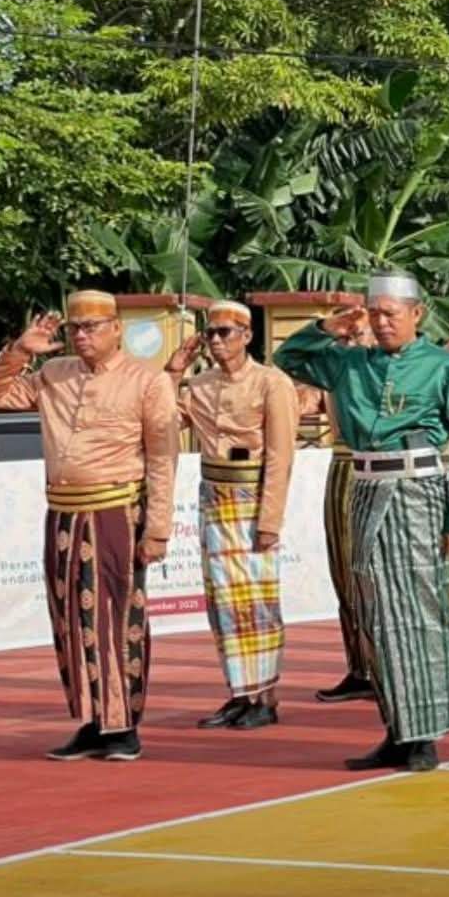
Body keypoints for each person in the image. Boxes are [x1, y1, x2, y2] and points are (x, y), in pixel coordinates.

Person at [274, 272, 449, 773]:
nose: (383, 322)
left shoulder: (443, 366)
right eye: (375, 313)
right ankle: (396, 727)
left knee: (419, 607)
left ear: (418, 315)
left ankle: (425, 732)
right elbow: (288, 358)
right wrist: (329, 324)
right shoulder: (349, 364)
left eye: (392, 313)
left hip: (418, 489)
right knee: (375, 611)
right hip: (366, 487)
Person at [0, 291, 178, 762]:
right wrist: (21, 351)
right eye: (75, 328)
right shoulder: (53, 373)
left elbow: (164, 460)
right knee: (72, 621)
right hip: (64, 512)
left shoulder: (147, 382)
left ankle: (123, 725)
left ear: (117, 329)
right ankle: (93, 721)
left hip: (116, 512)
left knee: (114, 620)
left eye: (92, 326)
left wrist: (159, 529)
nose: (83, 336)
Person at [165, 300, 300, 731]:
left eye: (226, 332)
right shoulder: (199, 384)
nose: (217, 340)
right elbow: (163, 421)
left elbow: (281, 456)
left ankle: (266, 695)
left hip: (252, 493)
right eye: (211, 333)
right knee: (223, 601)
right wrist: (172, 372)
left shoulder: (271, 383)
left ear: (247, 335)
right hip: (214, 495)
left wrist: (269, 520)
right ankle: (240, 692)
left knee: (257, 601)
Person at [299, 306, 380, 704]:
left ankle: (385, 666)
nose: (350, 343)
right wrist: (326, 331)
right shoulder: (336, 369)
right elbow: (293, 366)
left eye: (358, 335)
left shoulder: (382, 367)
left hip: (375, 467)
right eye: (344, 338)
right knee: (344, 571)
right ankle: (359, 665)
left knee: (377, 575)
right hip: (342, 464)